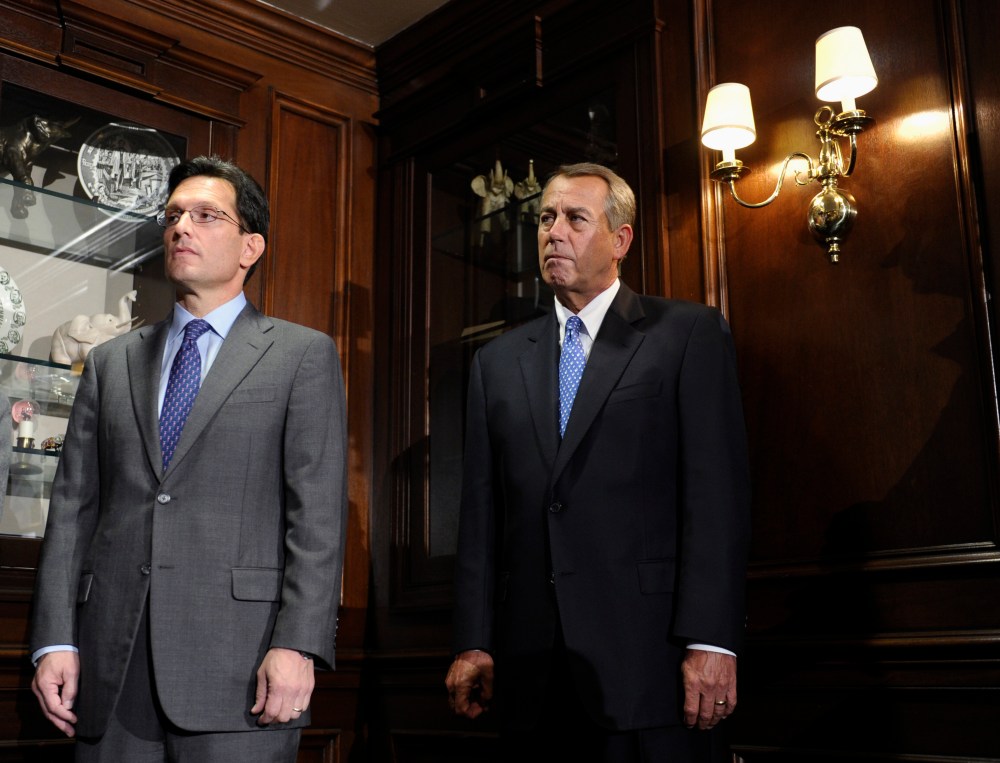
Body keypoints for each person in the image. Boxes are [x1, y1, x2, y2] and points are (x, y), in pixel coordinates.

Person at [29, 155, 348, 762]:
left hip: (242, 670)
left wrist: (299, 645)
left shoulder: (300, 356)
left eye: (206, 216)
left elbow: (317, 519)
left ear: (250, 246)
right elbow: (71, 509)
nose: (182, 228)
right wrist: (54, 641)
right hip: (109, 667)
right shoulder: (110, 362)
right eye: (174, 216)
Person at [445, 162, 751, 761]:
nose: (553, 232)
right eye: (545, 219)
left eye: (575, 219)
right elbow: (481, 518)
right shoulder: (498, 363)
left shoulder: (685, 334)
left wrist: (713, 641)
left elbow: (717, 499)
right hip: (530, 676)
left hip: (652, 666)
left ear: (621, 240)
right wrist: (473, 642)